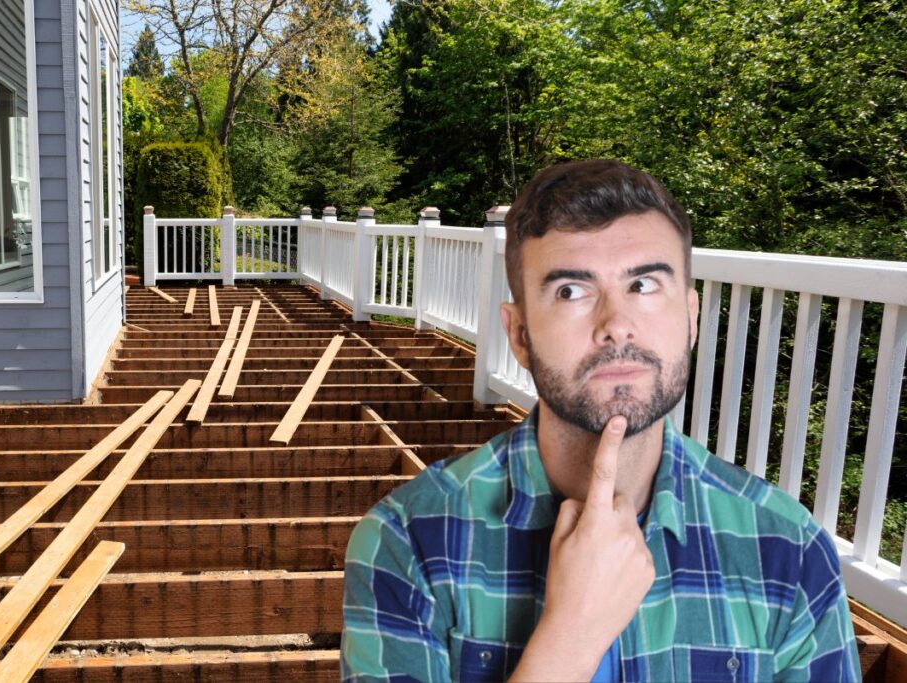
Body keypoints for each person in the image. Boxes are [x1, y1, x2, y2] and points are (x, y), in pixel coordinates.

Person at [340, 159, 861, 682]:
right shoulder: (409, 540)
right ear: (519, 335)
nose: (616, 326)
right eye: (571, 291)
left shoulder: (786, 548)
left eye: (644, 285)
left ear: (691, 316)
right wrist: (573, 632)